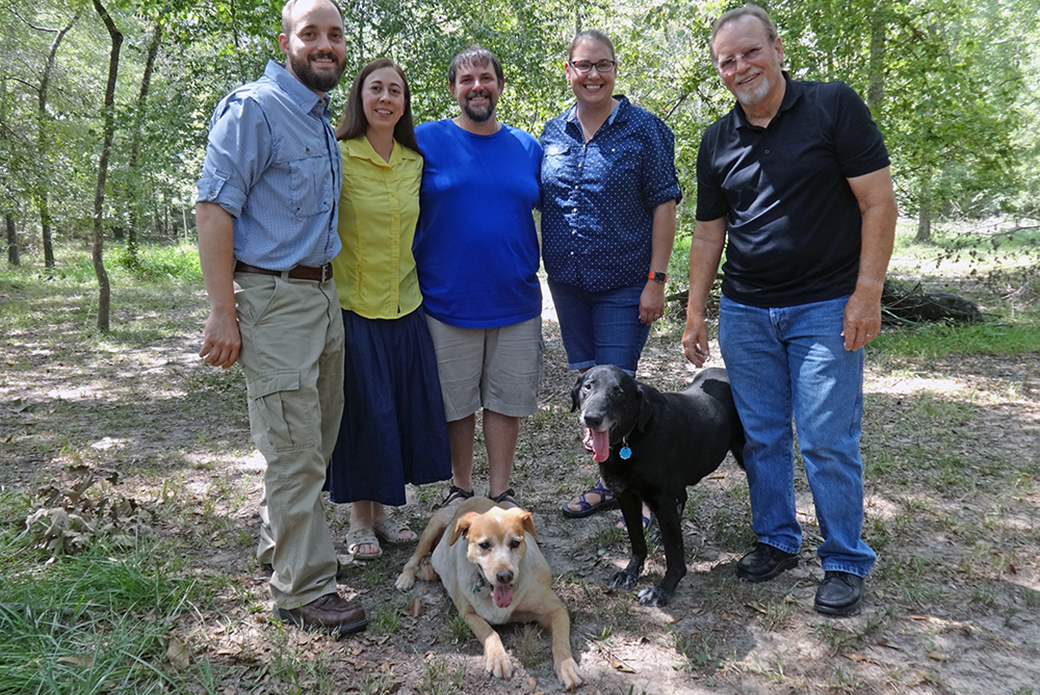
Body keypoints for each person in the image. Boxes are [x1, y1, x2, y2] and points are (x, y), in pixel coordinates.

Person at [681, 4, 898, 617]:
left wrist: (868, 291)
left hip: (826, 307)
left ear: (776, 48)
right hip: (746, 311)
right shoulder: (718, 139)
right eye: (727, 60)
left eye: (750, 51)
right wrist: (697, 312)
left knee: (828, 437)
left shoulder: (833, 107)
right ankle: (776, 538)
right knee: (763, 436)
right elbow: (707, 233)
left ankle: (844, 559)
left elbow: (878, 203)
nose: (740, 66)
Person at [196, 0, 366, 635]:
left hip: (321, 297)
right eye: (311, 34)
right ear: (286, 40)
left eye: (335, 35)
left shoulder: (318, 118)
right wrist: (223, 311)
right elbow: (214, 208)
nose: (325, 45)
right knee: (293, 448)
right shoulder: (255, 109)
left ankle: (281, 548)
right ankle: (303, 590)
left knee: (313, 442)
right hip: (272, 300)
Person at [540, 30, 681, 528]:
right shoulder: (551, 134)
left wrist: (656, 279)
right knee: (592, 396)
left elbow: (665, 204)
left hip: (625, 283)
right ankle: (612, 485)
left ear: (615, 69)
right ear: (568, 70)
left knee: (618, 395)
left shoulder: (645, 130)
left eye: (602, 65)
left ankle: (638, 493)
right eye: (583, 65)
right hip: (569, 285)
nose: (592, 74)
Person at [325, 59, 452, 560]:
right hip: (355, 308)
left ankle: (385, 512)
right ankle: (359, 518)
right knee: (364, 413)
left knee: (395, 412)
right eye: (375, 89)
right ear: (359, 97)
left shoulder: (413, 161)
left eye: (394, 91)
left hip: (407, 306)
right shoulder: (338, 155)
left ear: (404, 104)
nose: (384, 98)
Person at [413, 46, 543, 510]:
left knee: (506, 400)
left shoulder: (528, 148)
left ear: (500, 85)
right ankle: (461, 487)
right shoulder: (424, 140)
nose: (477, 87)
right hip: (446, 299)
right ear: (453, 89)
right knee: (456, 403)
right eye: (466, 80)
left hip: (515, 298)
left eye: (485, 78)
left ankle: (501, 490)